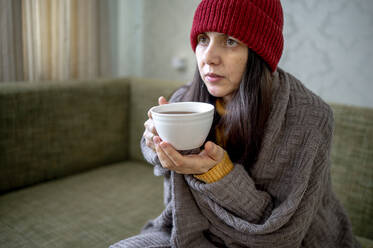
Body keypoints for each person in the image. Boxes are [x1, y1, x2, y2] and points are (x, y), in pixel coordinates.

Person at [110, 0, 361, 247]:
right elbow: (165, 175)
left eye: (230, 40)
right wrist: (155, 141)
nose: (208, 57)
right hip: (191, 228)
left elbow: (282, 233)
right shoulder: (185, 100)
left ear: (259, 51)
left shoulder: (309, 119)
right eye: (203, 39)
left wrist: (217, 174)